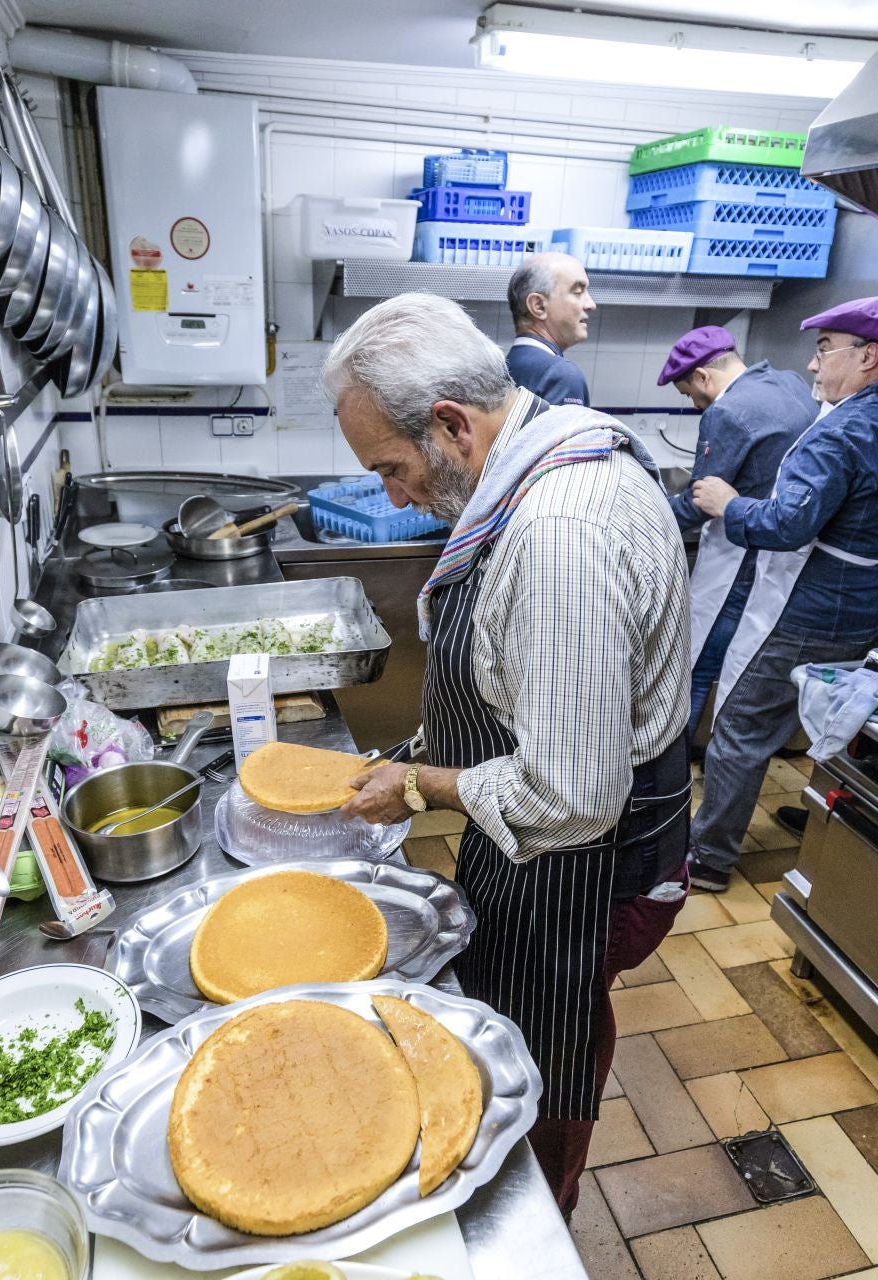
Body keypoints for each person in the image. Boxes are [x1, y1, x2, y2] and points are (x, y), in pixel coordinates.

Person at [327, 293, 691, 1216]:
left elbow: (570, 797)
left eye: (393, 467)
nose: (393, 497)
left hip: (589, 868)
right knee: (519, 1026)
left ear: (453, 423)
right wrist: (422, 751)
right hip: (556, 848)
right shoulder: (537, 457)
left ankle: (538, 1214)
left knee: (545, 1056)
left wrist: (419, 785)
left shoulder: (559, 533)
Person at [686, 297, 878, 890]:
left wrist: (729, 505)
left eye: (823, 349)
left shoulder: (842, 431)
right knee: (839, 720)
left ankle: (707, 860)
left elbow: (788, 525)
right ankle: (820, 819)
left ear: (868, 355)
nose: (813, 365)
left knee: (739, 731)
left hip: (811, 609)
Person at [658, 325, 816, 764]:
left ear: (703, 377)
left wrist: (647, 515)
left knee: (697, 666)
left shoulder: (726, 412)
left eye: (690, 393)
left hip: (740, 560)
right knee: (744, 665)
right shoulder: (789, 383)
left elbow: (700, 499)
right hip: (787, 554)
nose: (695, 404)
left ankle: (670, 770)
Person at [503, 252, 594, 406]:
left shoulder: (507, 365)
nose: (591, 304)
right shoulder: (561, 376)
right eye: (578, 292)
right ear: (539, 306)